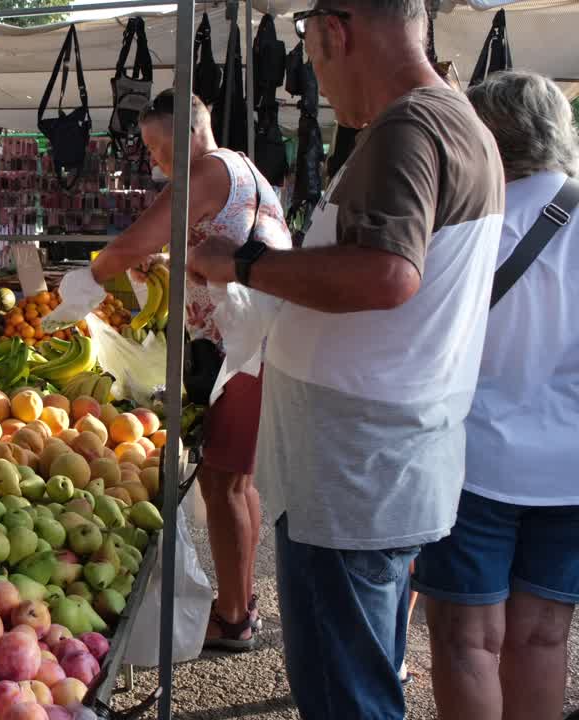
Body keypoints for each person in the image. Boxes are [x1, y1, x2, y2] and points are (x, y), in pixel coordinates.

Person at [185, 0, 504, 717]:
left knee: (344, 696)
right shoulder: (450, 121)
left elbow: (386, 274)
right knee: (363, 678)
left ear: (334, 29)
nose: (316, 81)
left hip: (353, 472)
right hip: (379, 458)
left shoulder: (409, 127)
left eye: (311, 53)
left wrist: (244, 263)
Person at [49, 89, 292, 650]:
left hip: (243, 350)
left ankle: (233, 618)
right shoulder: (239, 167)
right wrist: (164, 263)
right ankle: (241, 602)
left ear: (189, 132)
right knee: (236, 480)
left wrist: (89, 280)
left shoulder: (207, 171)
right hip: (254, 345)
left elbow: (134, 239)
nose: (156, 160)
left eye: (159, 146)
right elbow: (212, 242)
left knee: (223, 481)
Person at [413, 70, 579, 720]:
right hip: (570, 474)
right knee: (544, 637)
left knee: (467, 641)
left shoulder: (467, 225)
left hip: (473, 463)